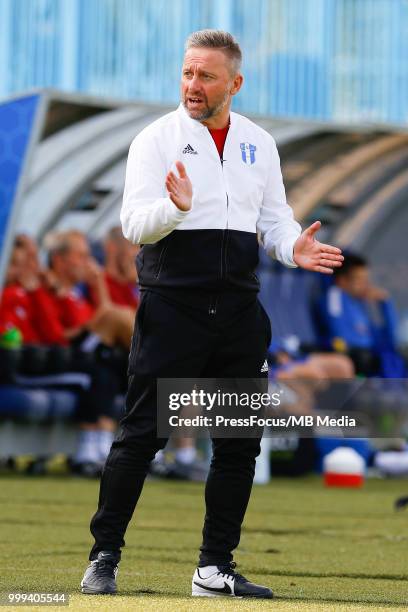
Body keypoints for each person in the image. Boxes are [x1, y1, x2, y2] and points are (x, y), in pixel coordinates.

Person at [80, 29, 343, 599]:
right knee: (143, 434)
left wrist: (291, 246)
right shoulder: (155, 139)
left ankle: (214, 568)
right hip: (173, 308)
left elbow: (274, 221)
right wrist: (173, 209)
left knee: (239, 441)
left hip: (240, 314)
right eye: (187, 73)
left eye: (206, 76)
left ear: (235, 83)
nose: (192, 85)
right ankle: (103, 557)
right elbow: (133, 225)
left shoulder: (259, 143)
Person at [320, 252, 401, 376]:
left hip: (370, 359)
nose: (365, 285)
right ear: (342, 281)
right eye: (359, 280)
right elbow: (339, 334)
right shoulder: (334, 297)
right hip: (356, 363)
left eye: (366, 279)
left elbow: (391, 338)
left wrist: (385, 304)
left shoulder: (358, 303)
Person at [103, 226, 140, 310]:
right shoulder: (100, 284)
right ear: (112, 248)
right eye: (132, 246)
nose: (136, 253)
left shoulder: (130, 285)